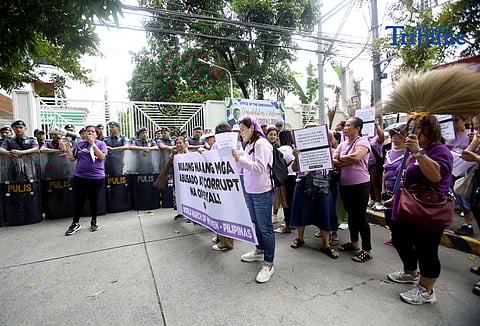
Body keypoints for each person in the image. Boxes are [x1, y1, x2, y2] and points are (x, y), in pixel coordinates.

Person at [386, 115, 453, 305]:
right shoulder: (418, 150)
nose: (410, 134)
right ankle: (410, 271)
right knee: (399, 239)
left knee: (427, 250)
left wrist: (418, 152)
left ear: (429, 131)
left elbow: (435, 176)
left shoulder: (440, 151)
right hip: (409, 207)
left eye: (416, 129)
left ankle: (426, 290)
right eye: (410, 129)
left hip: (429, 210)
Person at [232, 117, 275, 283]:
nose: (241, 133)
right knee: (256, 222)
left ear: (252, 129)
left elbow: (259, 168)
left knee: (265, 227)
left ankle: (269, 264)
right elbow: (243, 165)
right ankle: (259, 251)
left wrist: (239, 159)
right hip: (250, 191)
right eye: (240, 130)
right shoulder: (248, 145)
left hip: (262, 191)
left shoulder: (261, 144)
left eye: (243, 129)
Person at [289, 126, 339, 259]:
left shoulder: (326, 149)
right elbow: (294, 168)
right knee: (300, 210)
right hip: (303, 181)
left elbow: (332, 165)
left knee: (324, 213)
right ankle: (300, 238)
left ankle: (326, 245)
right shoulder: (299, 150)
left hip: (322, 182)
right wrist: (296, 157)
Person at [334, 117, 373, 263]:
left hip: (360, 184)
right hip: (345, 185)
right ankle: (354, 242)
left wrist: (342, 159)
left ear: (357, 129)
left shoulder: (362, 141)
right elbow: (333, 159)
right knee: (351, 215)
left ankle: (367, 249)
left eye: (349, 125)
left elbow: (356, 157)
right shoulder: (343, 144)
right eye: (345, 125)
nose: (345, 128)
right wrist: (347, 159)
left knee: (360, 217)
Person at [64, 125, 107, 235]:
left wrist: (93, 144)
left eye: (92, 132)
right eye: (88, 132)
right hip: (80, 177)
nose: (90, 133)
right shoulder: (80, 144)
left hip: (96, 177)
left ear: (96, 134)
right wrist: (68, 147)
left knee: (94, 200)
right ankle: (75, 223)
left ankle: (94, 221)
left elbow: (102, 157)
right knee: (78, 201)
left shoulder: (101, 144)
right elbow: (73, 158)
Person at [380, 126, 406, 247]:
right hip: (388, 189)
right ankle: (393, 235)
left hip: (400, 191)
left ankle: (399, 237)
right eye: (393, 136)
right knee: (388, 216)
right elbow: (384, 172)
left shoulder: (408, 155)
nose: (395, 139)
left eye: (398, 136)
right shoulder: (389, 153)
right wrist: (383, 188)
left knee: (399, 216)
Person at [454, 115, 478, 236]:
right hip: (464, 173)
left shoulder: (469, 133)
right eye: (476, 128)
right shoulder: (476, 137)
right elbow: (466, 155)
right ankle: (467, 224)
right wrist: (473, 142)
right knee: (461, 197)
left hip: (471, 172)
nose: (477, 132)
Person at [274, 130, 296, 234]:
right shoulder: (291, 148)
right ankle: (292, 222)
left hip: (286, 177)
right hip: (293, 176)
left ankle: (288, 225)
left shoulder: (282, 149)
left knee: (286, 202)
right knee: (291, 200)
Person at [368, 123, 385, 209]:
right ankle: (372, 199)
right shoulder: (364, 138)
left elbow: (382, 137)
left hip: (375, 163)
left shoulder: (376, 138)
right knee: (369, 181)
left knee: (376, 181)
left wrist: (377, 126)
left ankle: (378, 200)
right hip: (366, 163)